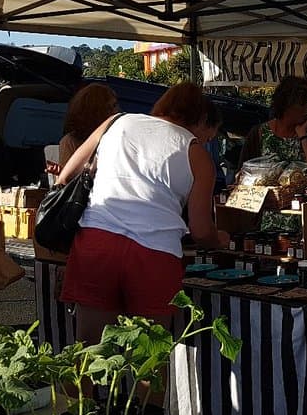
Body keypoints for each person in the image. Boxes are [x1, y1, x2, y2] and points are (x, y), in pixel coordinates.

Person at [57, 82, 230, 344]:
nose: (207, 141)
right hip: (155, 253)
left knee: (89, 351)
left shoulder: (116, 122)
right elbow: (201, 230)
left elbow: (66, 177)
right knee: (149, 356)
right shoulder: (198, 156)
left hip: (98, 241)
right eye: (209, 136)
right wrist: (221, 239)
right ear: (201, 118)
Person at [238, 75, 307, 178]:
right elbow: (243, 173)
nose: (306, 111)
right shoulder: (259, 133)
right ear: (286, 105)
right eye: (302, 105)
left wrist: (304, 137)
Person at [45, 83, 119, 176]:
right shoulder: (71, 141)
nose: (116, 111)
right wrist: (62, 172)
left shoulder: (117, 135)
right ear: (95, 111)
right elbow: (67, 179)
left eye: (115, 105)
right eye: (111, 107)